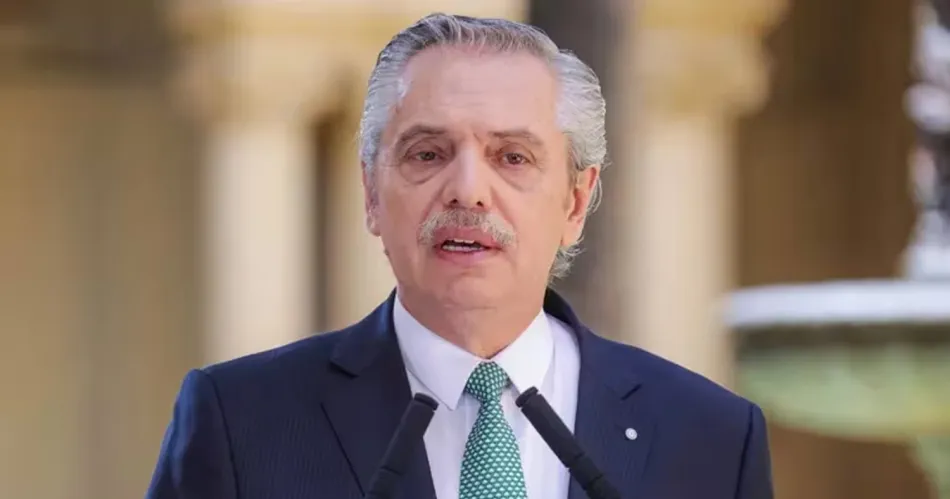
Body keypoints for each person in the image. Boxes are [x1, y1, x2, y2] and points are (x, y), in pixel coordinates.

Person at [146, 13, 773, 499]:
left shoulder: (710, 436)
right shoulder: (240, 421)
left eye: (512, 157)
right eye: (427, 154)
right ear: (371, 194)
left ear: (576, 202)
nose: (468, 190)